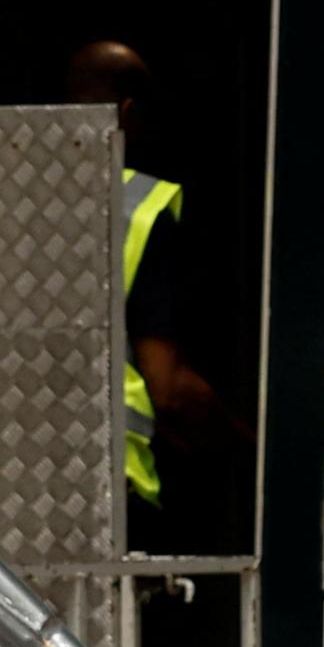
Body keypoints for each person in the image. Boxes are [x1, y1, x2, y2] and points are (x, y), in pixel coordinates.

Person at [66, 41, 224, 536]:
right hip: (114, 486)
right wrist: (243, 443)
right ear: (128, 113)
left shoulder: (1, 203)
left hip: (5, 482)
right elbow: (167, 387)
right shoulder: (139, 207)